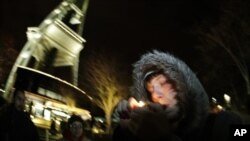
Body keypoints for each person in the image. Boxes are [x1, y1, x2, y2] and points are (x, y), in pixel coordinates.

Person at [113, 50, 243, 141]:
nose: (156, 94)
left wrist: (164, 138)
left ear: (184, 85)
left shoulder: (227, 123)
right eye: (151, 90)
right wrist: (127, 130)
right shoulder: (148, 133)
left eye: (163, 83)